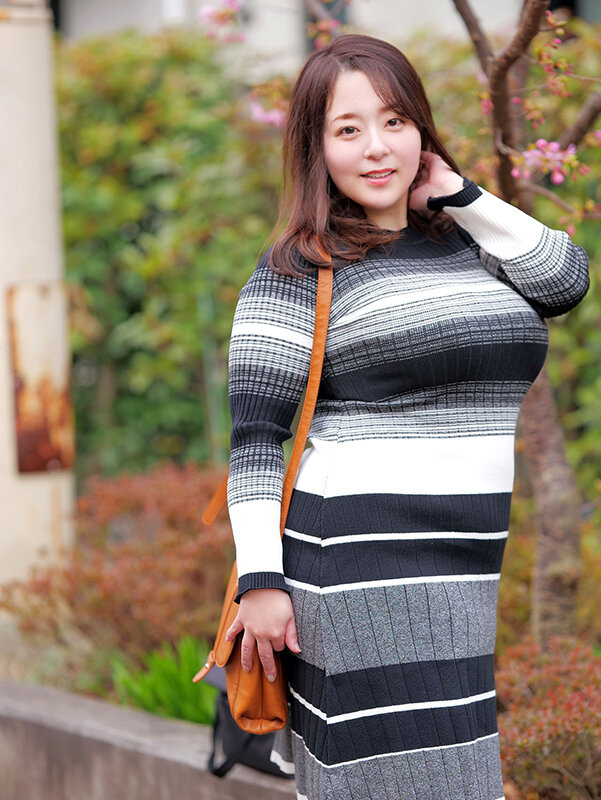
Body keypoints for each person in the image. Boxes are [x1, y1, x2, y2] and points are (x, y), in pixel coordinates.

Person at [223, 33, 589, 800]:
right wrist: (260, 582)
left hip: (465, 563)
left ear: (420, 128)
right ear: (315, 146)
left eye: (394, 121)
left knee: (457, 774)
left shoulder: (467, 241)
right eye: (347, 128)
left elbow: (564, 279)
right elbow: (256, 441)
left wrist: (458, 192)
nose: (376, 147)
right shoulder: (295, 269)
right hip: (357, 566)